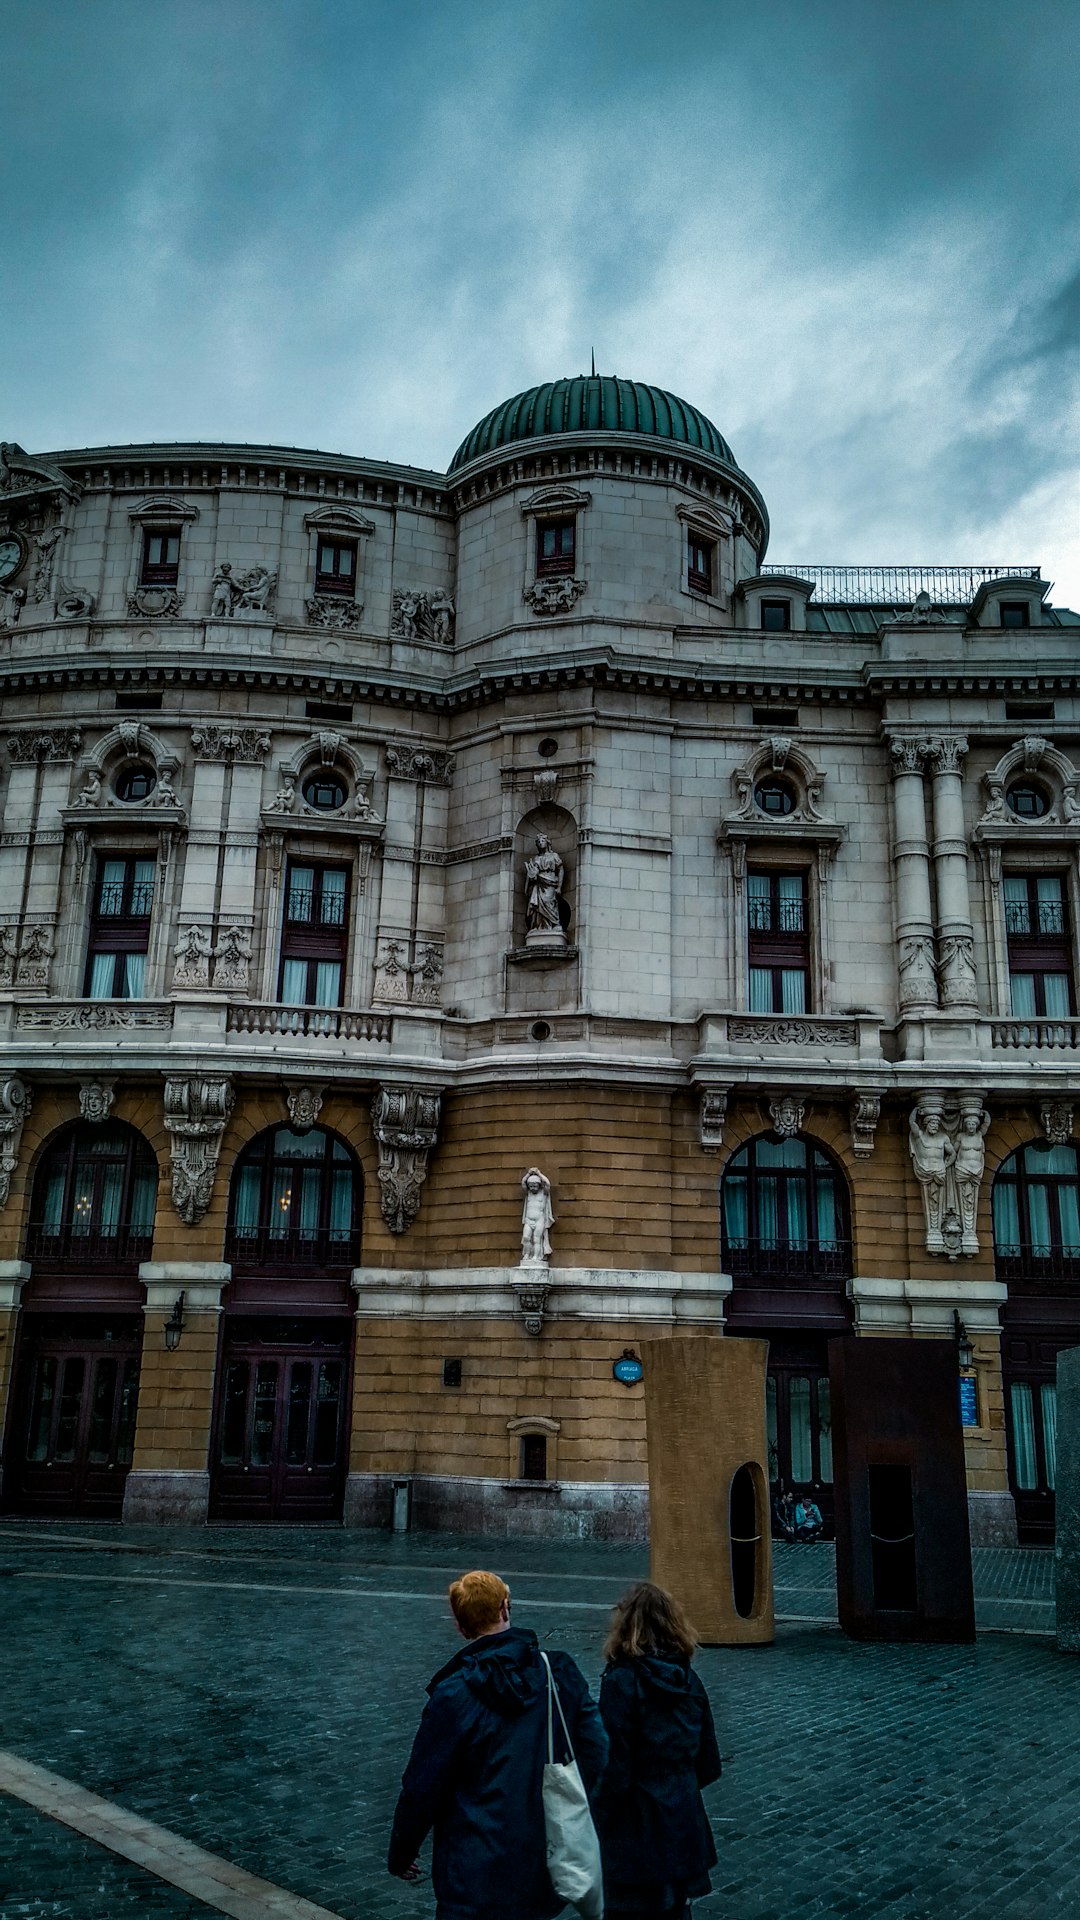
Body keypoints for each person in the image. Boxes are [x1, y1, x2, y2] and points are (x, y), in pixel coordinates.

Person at [388, 1568, 607, 1920]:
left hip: (470, 1869)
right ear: (506, 1607)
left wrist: (402, 1850)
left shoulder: (453, 1694)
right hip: (538, 1855)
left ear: (460, 1626)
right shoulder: (558, 1672)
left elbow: (422, 1787)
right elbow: (596, 1749)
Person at [594, 1581, 721, 1920]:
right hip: (682, 1818)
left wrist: (598, 1814)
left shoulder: (621, 1682)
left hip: (636, 1823)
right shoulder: (688, 1680)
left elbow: (615, 1764)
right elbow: (709, 1761)